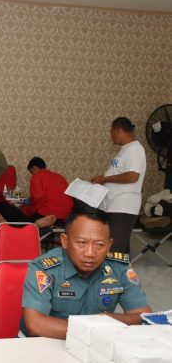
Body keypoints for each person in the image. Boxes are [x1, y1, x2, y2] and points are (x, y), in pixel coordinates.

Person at [22, 207, 152, 339]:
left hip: (98, 344)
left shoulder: (119, 268)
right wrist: (96, 327)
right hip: (49, 342)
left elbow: (144, 317)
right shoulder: (44, 268)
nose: (90, 253)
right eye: (81, 243)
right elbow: (35, 325)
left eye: (99, 245)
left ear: (109, 245)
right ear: (65, 241)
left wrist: (108, 318)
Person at [91, 117, 146, 254]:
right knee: (121, 251)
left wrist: (105, 179)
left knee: (114, 250)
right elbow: (121, 173)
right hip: (114, 205)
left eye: (111, 132)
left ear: (118, 130)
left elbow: (132, 176)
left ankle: (112, 269)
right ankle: (124, 269)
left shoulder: (134, 149)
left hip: (123, 207)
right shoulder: (125, 149)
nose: (111, 136)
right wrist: (103, 179)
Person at [24, 157, 73, 222]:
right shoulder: (60, 177)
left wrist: (28, 202)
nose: (32, 174)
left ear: (34, 168)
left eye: (31, 172)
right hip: (67, 216)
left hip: (49, 215)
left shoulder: (36, 176)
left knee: (24, 218)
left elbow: (37, 198)